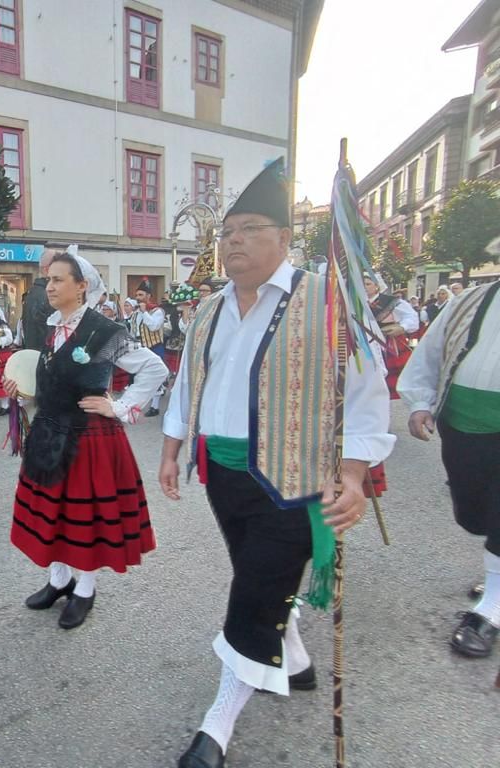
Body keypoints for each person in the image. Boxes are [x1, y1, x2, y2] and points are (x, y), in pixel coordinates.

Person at [158, 158, 394, 768]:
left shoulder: (330, 300)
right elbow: (190, 381)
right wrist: (172, 446)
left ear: (285, 238)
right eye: (226, 232)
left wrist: (354, 472)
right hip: (223, 474)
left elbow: (367, 390)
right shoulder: (208, 309)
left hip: (296, 480)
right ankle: (295, 656)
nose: (233, 241)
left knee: (253, 591)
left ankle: (216, 728)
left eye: (249, 228)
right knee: (258, 577)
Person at [5, 247, 167, 630]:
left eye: (58, 279)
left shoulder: (103, 330)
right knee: (55, 513)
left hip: (88, 436)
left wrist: (122, 407)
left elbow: (154, 368)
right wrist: (24, 390)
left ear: (82, 287)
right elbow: (53, 380)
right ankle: (60, 581)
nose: (49, 286)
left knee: (84, 516)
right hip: (50, 431)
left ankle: (85, 589)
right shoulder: (51, 327)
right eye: (49, 279)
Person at [398, 281, 500, 659]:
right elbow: (431, 352)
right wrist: (420, 402)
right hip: (462, 423)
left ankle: (491, 608)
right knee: (474, 514)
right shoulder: (472, 299)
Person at [364, 272, 419, 399]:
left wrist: (401, 327)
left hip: (389, 343)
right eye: (363, 284)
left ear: (377, 286)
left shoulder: (392, 302)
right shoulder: (357, 303)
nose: (365, 287)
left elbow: (412, 316)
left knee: (392, 374)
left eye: (368, 284)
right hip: (366, 344)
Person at [134, 279, 166, 417]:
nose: (138, 298)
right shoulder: (137, 313)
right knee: (142, 377)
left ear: (148, 296)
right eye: (137, 295)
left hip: (155, 347)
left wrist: (144, 312)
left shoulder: (157, 311)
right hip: (141, 347)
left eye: (141, 295)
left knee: (155, 376)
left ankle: (155, 406)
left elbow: (154, 326)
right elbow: (135, 330)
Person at [20, 248, 57, 351]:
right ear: (46, 269)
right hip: (44, 355)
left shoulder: (32, 293)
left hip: (34, 353)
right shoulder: (48, 294)